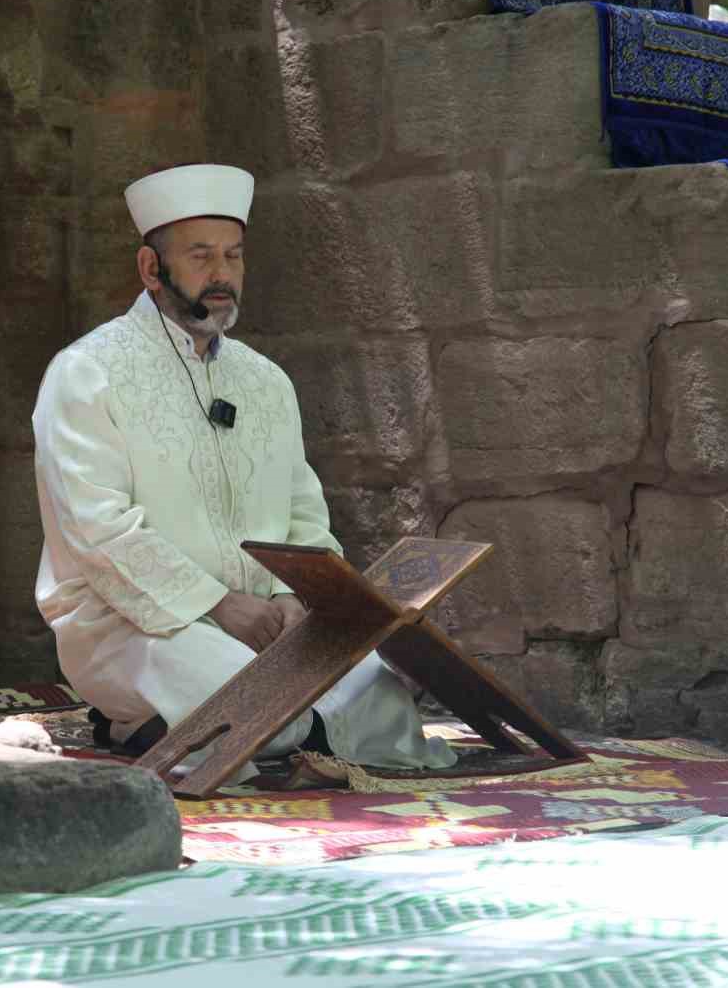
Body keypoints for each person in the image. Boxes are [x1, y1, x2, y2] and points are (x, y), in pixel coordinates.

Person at [31, 163, 454, 775]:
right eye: (201, 257)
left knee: (378, 695)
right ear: (151, 269)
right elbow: (98, 530)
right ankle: (137, 720)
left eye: (233, 256)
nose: (222, 274)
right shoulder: (86, 373)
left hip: (267, 620)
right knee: (256, 707)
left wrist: (292, 596)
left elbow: (303, 512)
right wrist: (217, 604)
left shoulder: (265, 381)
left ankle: (188, 729)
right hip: (132, 624)